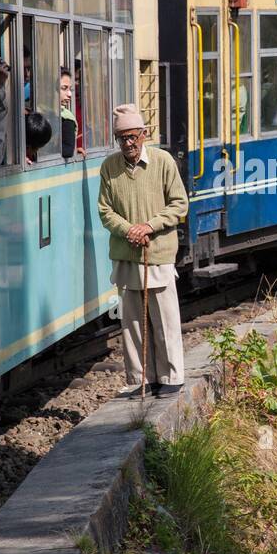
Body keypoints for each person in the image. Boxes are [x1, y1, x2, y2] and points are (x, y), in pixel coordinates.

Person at [97, 105, 189, 400]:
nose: (127, 144)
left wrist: (149, 226)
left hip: (158, 252)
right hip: (126, 254)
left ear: (143, 134)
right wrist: (128, 230)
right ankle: (140, 378)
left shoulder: (163, 161)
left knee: (164, 318)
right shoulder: (109, 167)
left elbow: (179, 204)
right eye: (121, 138)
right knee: (132, 322)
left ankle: (171, 375)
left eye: (132, 137)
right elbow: (104, 210)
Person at [59, 69, 84, 160]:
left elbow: (67, 150)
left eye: (70, 89)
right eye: (64, 88)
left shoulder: (66, 117)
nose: (69, 94)